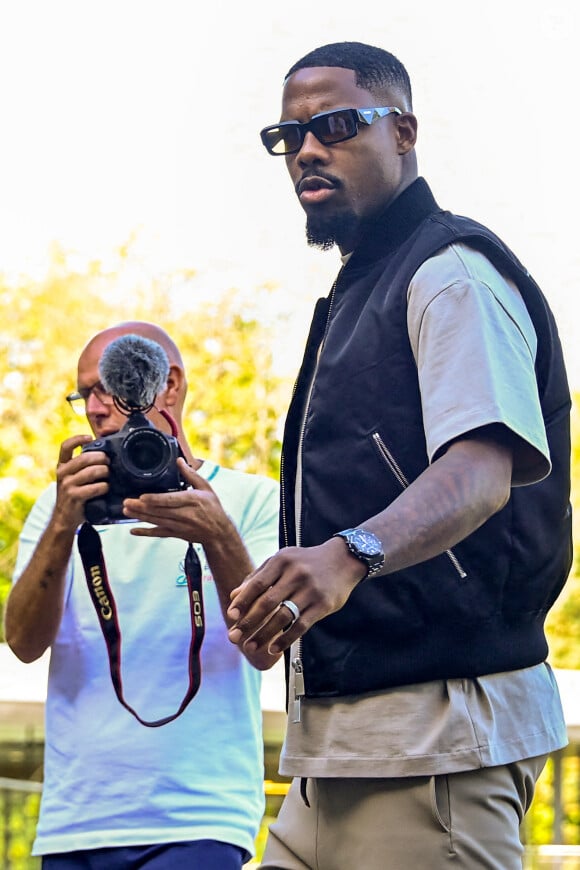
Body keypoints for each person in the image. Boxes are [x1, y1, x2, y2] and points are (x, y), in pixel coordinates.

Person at [226, 42, 573, 869]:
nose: (308, 149)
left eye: (337, 125)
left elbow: (483, 470)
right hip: (330, 759)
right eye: (290, 135)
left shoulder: (451, 272)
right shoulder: (359, 289)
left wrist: (351, 554)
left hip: (437, 744)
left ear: (404, 131)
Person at [4, 321, 280, 870]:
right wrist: (64, 521)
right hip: (73, 821)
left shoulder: (250, 500)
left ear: (169, 385)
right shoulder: (60, 506)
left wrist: (217, 535)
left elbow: (266, 647)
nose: (98, 408)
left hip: (199, 817)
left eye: (108, 387)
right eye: (85, 394)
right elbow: (23, 643)